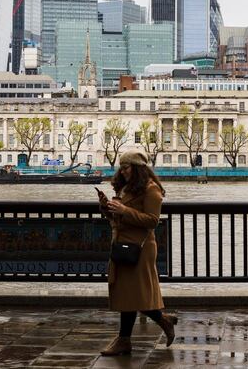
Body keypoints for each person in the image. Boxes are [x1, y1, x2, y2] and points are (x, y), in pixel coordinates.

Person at [99, 149, 176, 356]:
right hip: (124, 243)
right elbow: (121, 218)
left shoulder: (152, 190)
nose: (123, 172)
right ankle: (128, 338)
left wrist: (124, 211)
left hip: (140, 248)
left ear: (138, 169)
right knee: (128, 293)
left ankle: (160, 322)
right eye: (121, 168)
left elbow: (152, 221)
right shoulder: (127, 188)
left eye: (126, 168)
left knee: (134, 293)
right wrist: (108, 209)